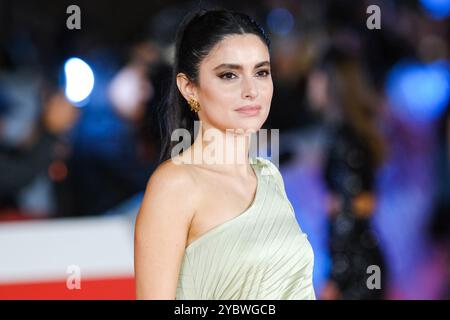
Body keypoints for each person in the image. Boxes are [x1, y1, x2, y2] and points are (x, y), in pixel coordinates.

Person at [134, 9, 315, 300]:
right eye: (229, 75)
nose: (251, 90)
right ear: (189, 88)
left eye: (261, 72)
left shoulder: (269, 176)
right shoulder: (175, 185)